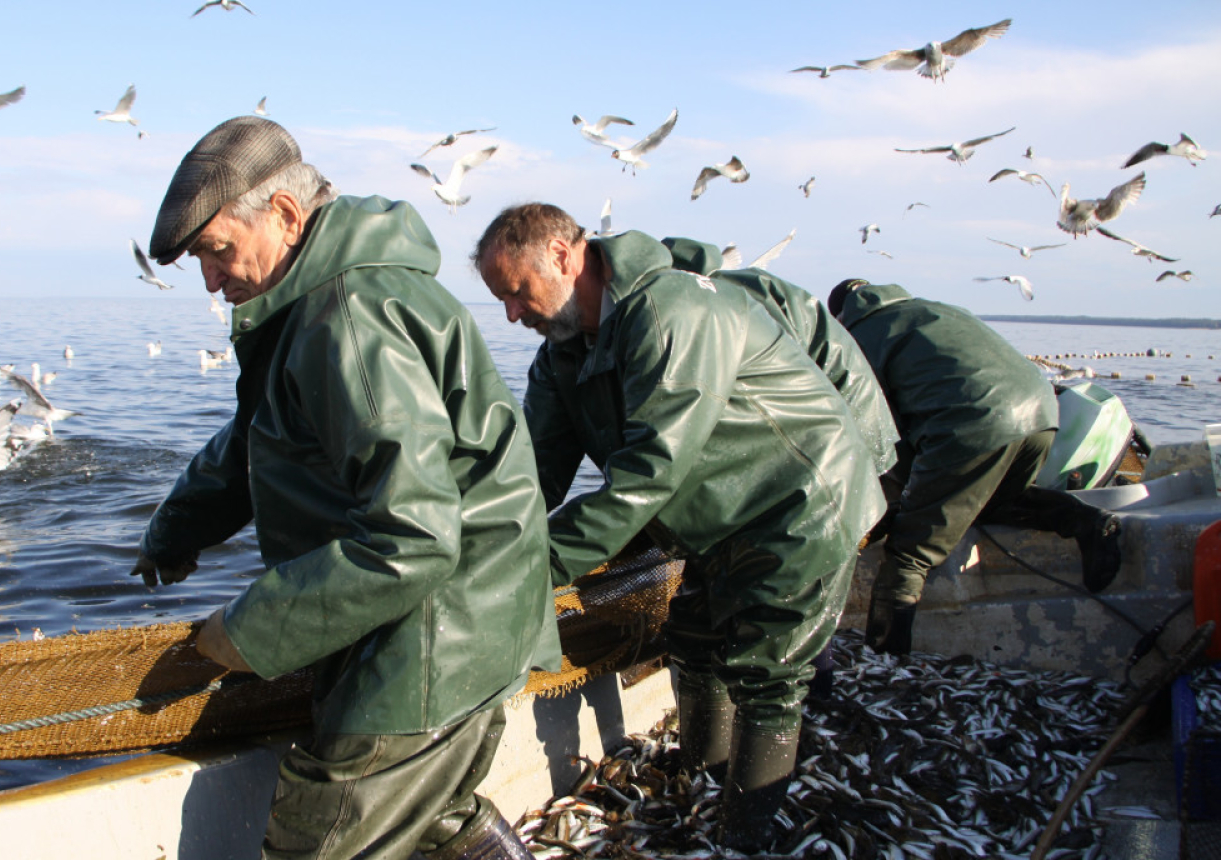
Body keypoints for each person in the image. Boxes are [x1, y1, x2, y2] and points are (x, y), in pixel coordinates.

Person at [132, 116, 560, 860]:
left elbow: (413, 538)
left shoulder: (349, 318)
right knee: (436, 813)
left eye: (218, 251)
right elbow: (259, 435)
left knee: (319, 832)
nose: (210, 280)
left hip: (439, 634)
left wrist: (249, 629)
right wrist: (175, 529)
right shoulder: (309, 304)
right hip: (473, 616)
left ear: (285, 214)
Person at [472, 203, 886, 853]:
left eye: (517, 292)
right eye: (501, 300)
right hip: (715, 515)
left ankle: (742, 838)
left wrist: (524, 572)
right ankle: (704, 783)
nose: (510, 315)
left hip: (798, 501)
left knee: (767, 671)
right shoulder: (561, 356)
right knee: (692, 637)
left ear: (562, 255)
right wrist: (469, 544)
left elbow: (648, 473)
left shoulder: (672, 312)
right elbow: (532, 477)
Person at [827, 279, 1123, 657]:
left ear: (840, 317)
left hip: (973, 426)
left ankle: (884, 659)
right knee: (991, 501)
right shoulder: (936, 308)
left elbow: (875, 436)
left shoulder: (856, 341)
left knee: (909, 553)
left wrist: (880, 509)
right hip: (1042, 413)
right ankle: (1088, 522)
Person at [662, 240, 901, 701]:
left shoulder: (734, 302)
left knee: (806, 575)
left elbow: (793, 396)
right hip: (819, 436)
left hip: (839, 436)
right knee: (754, 583)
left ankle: (815, 691)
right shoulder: (711, 304)